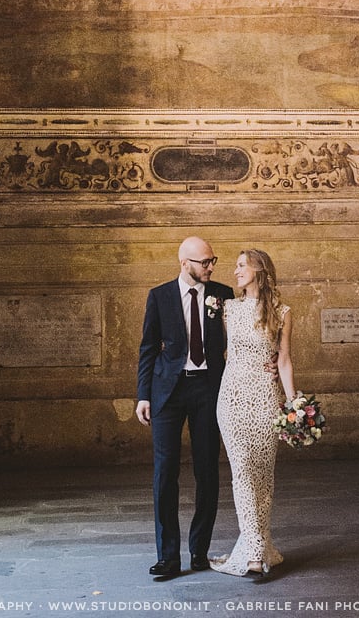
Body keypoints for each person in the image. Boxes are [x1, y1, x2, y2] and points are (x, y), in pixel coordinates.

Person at [136, 236, 234, 580]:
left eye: (213, 261)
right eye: (204, 261)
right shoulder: (159, 296)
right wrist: (143, 395)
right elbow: (148, 347)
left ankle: (199, 551)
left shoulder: (223, 294)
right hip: (167, 391)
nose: (210, 267)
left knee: (207, 470)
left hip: (208, 390)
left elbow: (238, 341)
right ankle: (167, 556)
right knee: (165, 474)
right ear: (184, 263)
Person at [210, 248, 296, 579]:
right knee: (243, 471)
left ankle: (256, 545)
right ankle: (255, 553)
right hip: (231, 398)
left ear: (259, 270)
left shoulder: (282, 312)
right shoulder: (228, 309)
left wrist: (293, 404)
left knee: (263, 476)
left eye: (241, 266)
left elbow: (285, 360)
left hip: (265, 398)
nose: (235, 272)